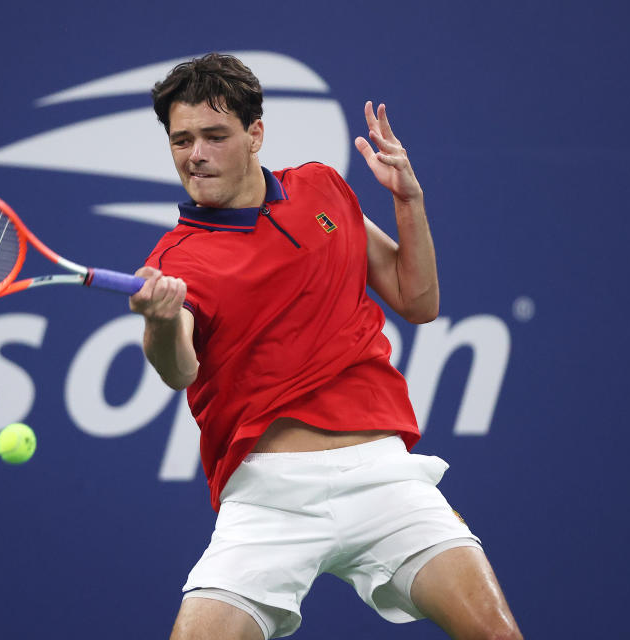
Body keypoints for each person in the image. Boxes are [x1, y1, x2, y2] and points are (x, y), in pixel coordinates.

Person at [129, 53, 522, 640]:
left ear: (255, 133)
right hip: (269, 497)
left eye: (215, 136)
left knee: (497, 634)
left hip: (382, 477)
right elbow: (178, 370)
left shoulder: (322, 187)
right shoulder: (174, 261)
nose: (196, 155)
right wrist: (160, 322)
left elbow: (418, 301)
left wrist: (409, 202)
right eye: (181, 140)